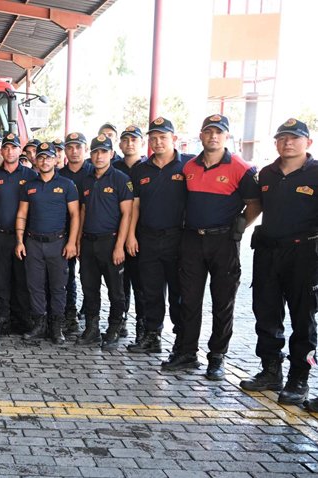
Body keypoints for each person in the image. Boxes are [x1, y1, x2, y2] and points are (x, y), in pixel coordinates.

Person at [168, 114, 261, 378]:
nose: (213, 136)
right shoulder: (188, 167)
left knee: (223, 301)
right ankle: (187, 352)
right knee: (189, 299)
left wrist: (240, 226)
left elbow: (254, 203)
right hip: (191, 240)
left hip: (223, 242)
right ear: (201, 135)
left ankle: (217, 356)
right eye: (208, 131)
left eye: (219, 132)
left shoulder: (242, 168)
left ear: (227, 136)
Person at [240, 119, 318, 407]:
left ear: (307, 143)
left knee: (303, 318)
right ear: (276, 143)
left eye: (295, 138)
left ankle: (299, 378)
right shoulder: (267, 174)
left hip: (305, 255)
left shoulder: (316, 173)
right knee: (266, 312)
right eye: (283, 138)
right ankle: (271, 370)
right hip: (268, 253)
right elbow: (255, 206)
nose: (288, 143)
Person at [126, 120, 187, 355]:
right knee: (151, 292)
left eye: (162, 137)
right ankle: (152, 337)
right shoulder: (140, 170)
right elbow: (135, 207)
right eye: (153, 138)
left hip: (177, 239)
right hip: (148, 238)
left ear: (173, 138)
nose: (157, 142)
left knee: (178, 294)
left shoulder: (187, 166)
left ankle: (182, 342)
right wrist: (131, 236)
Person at [15, 141, 80, 345]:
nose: (44, 161)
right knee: (35, 286)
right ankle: (39, 325)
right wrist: (19, 241)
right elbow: (22, 215)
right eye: (41, 157)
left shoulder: (67, 185)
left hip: (58, 243)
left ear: (56, 159)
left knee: (58, 287)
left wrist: (72, 242)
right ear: (35, 160)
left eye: (49, 157)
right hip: (33, 242)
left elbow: (75, 215)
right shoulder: (30, 186)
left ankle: (56, 327)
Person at [76, 134, 133, 350]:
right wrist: (79, 240)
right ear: (91, 155)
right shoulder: (87, 180)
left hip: (111, 242)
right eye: (95, 152)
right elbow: (82, 212)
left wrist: (120, 245)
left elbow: (126, 214)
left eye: (103, 151)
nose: (99, 156)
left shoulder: (120, 179)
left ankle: (114, 328)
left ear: (111, 153)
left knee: (115, 290)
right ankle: (91, 328)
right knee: (89, 288)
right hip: (89, 242)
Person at [0, 132, 38, 334]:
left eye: (13, 147)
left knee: (22, 278)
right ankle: (3, 316)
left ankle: (23, 318)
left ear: (20, 150)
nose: (9, 151)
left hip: (23, 238)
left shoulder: (30, 175)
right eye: (5, 147)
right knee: (2, 278)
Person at [113, 125, 148, 342]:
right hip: (115, 233)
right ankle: (121, 320)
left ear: (141, 142)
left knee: (142, 283)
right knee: (119, 283)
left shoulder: (148, 167)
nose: (129, 143)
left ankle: (144, 328)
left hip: (141, 235)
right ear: (119, 144)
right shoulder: (113, 167)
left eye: (134, 140)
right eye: (125, 140)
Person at [58, 133, 93, 334]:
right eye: (70, 147)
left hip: (90, 233)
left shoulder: (94, 173)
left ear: (85, 149)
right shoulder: (60, 175)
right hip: (65, 234)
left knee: (89, 277)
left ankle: (90, 317)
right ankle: (69, 315)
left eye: (78, 147)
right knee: (67, 276)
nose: (74, 151)